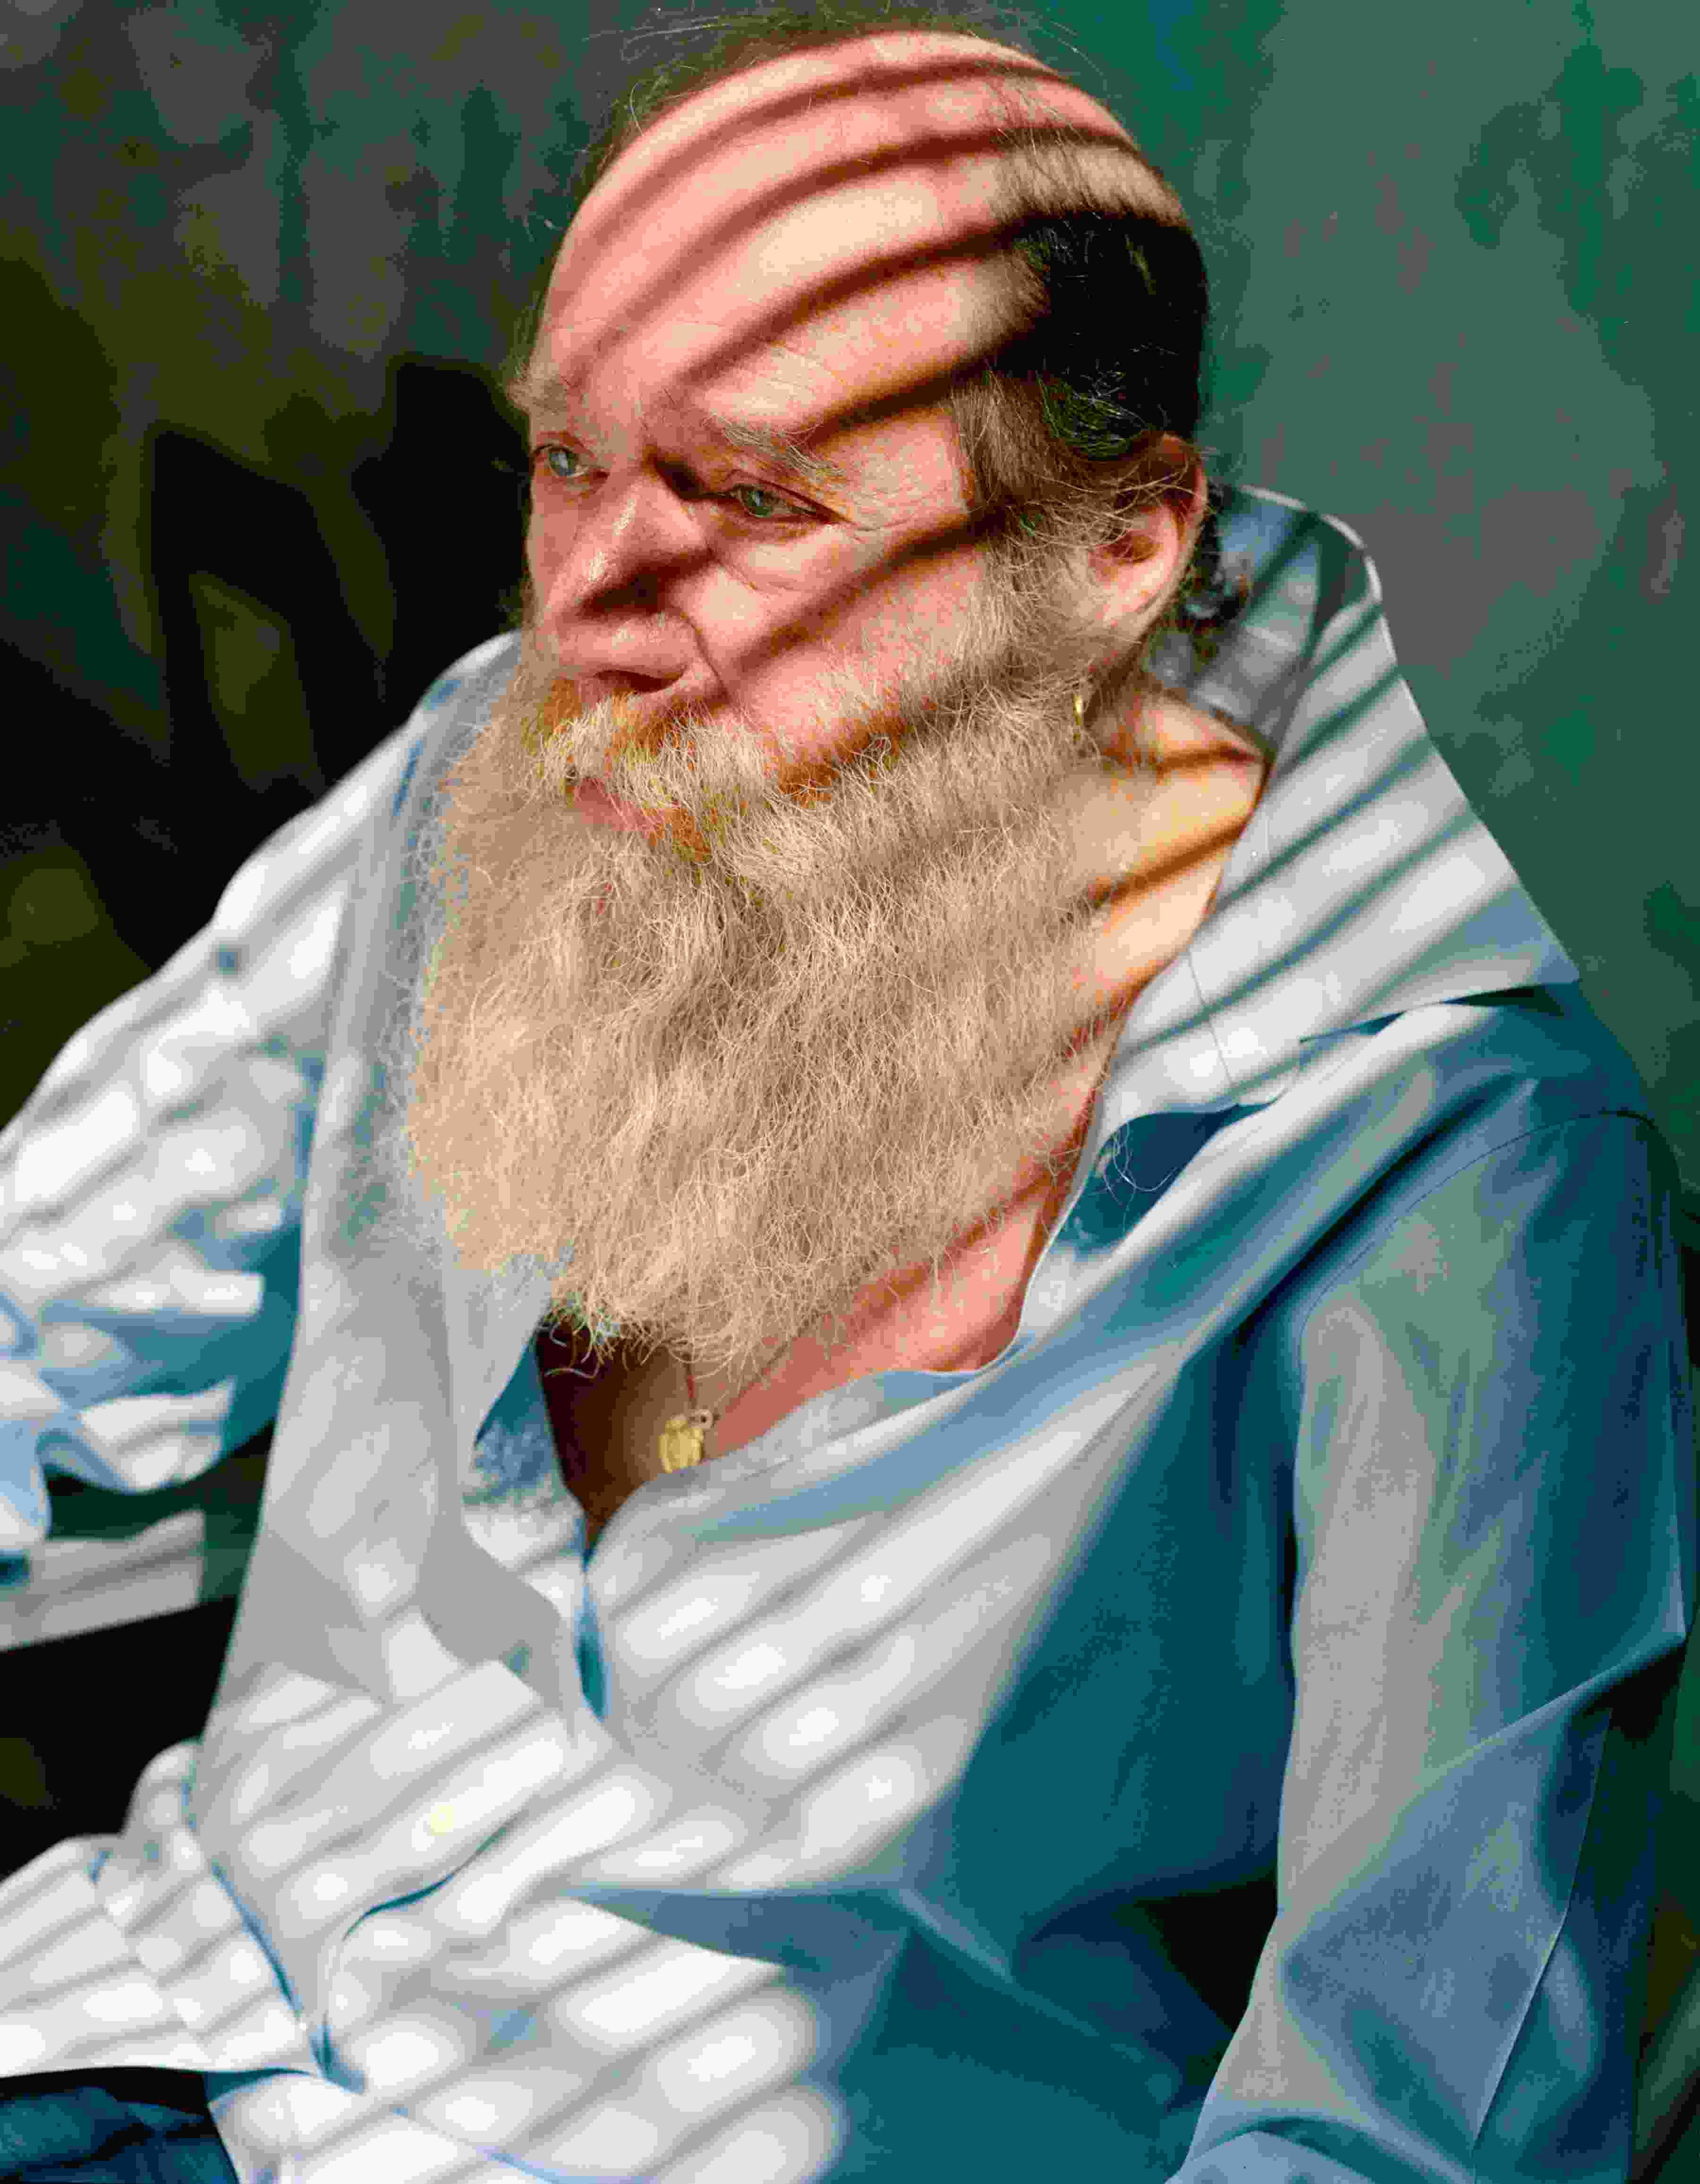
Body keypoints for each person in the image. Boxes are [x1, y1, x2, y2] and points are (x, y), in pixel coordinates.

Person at [0, 7, 1691, 2180]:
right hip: (142, 2017)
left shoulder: (1446, 1158)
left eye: (754, 495)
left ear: (1117, 552)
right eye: (568, 461)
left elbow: (1414, 2122)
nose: (594, 600)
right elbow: (35, 1296)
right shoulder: (488, 778)